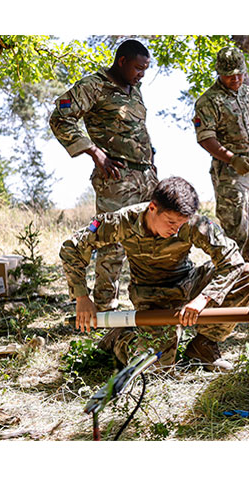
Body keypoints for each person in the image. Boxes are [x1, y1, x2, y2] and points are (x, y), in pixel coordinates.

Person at [60, 176, 249, 371]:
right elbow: (72, 248)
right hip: (152, 297)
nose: (175, 231)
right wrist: (81, 297)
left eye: (181, 224)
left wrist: (204, 298)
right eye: (171, 223)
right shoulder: (122, 221)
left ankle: (204, 346)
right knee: (157, 367)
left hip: (188, 282)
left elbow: (233, 260)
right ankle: (121, 338)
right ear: (152, 208)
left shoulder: (194, 223)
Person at [49, 39, 158, 312]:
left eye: (145, 69)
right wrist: (94, 152)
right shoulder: (93, 85)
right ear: (121, 61)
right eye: (137, 68)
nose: (141, 74)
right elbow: (60, 118)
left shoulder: (135, 89)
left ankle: (149, 305)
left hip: (145, 176)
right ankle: (105, 308)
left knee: (150, 239)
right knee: (112, 241)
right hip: (116, 177)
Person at [193, 46, 249, 267]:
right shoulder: (208, 101)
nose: (235, 79)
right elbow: (205, 138)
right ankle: (231, 284)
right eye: (229, 75)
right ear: (219, 73)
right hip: (229, 171)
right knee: (236, 230)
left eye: (239, 73)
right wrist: (232, 159)